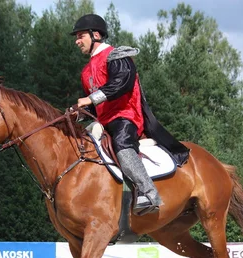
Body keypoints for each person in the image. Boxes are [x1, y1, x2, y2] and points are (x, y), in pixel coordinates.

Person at [70, 14, 190, 215]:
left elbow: (121, 84)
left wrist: (91, 99)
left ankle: (148, 192)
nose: (77, 41)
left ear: (96, 35)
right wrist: (77, 113)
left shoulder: (117, 56)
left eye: (81, 36)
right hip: (103, 121)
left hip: (125, 116)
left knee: (122, 144)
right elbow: (92, 107)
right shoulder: (85, 72)